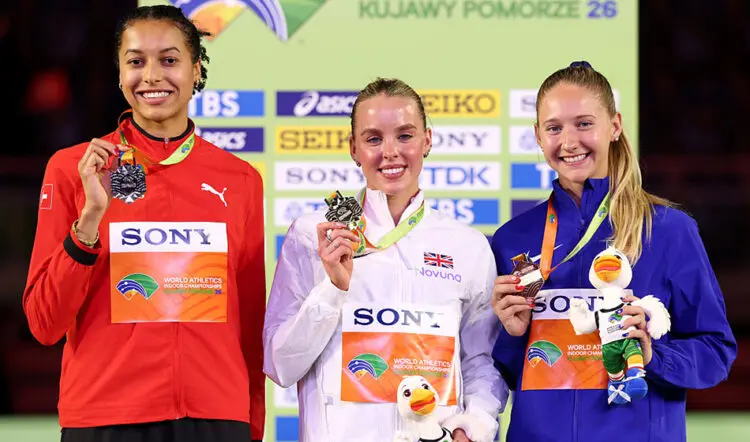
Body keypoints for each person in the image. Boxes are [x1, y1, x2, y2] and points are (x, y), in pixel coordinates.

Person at [22, 5, 266, 441]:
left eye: (169, 60)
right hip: (105, 417)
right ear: (119, 74)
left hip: (214, 416)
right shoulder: (73, 169)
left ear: (196, 70)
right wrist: (89, 221)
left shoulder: (241, 179)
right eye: (135, 61)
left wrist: (251, 421)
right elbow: (44, 324)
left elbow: (249, 319)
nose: (151, 76)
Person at [490, 61, 737, 442]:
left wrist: (653, 356)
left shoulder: (668, 230)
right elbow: (503, 370)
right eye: (554, 128)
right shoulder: (512, 238)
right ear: (538, 136)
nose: (569, 142)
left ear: (615, 126)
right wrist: (512, 334)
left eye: (584, 124)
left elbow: (715, 351)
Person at [263, 78, 507, 442]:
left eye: (405, 136)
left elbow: (481, 361)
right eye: (373, 138)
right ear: (354, 148)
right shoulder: (313, 235)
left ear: (427, 140)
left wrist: (474, 426)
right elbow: (280, 365)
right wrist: (332, 290)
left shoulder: (467, 246)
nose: (390, 152)